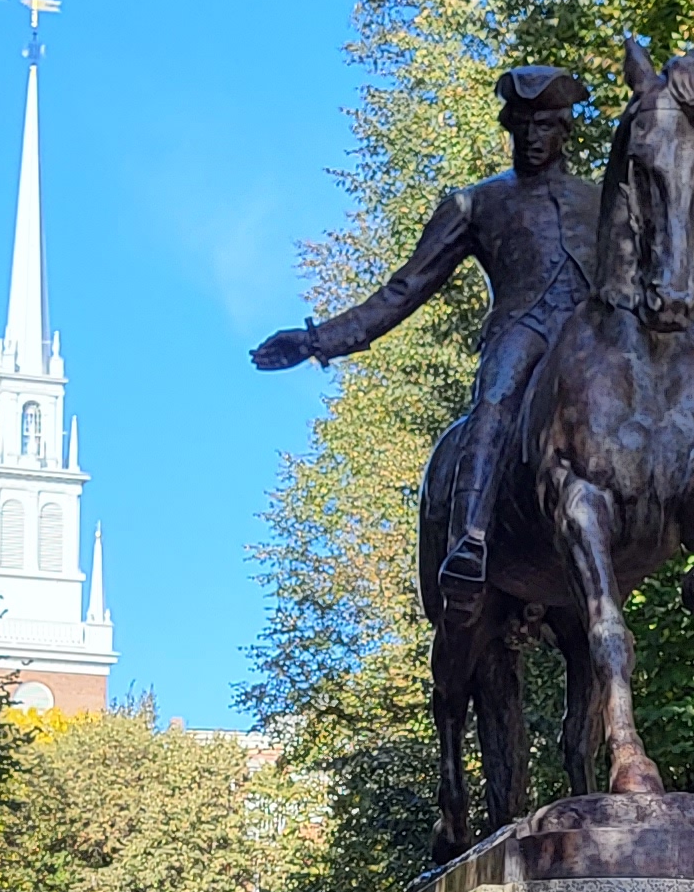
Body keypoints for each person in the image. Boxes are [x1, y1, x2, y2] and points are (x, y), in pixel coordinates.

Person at [250, 63, 598, 616]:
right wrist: (319, 340)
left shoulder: (601, 201)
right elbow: (404, 289)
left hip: (592, 343)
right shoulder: (476, 204)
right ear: (509, 126)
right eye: (522, 126)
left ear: (565, 130)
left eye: (546, 125)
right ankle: (470, 540)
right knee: (495, 400)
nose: (533, 138)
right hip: (523, 331)